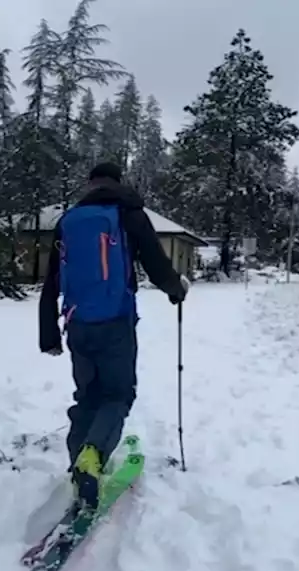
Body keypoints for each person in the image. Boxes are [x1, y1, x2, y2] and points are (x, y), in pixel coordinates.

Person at [39, 162, 189, 515]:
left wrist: (48, 333)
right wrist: (175, 289)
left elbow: (52, 280)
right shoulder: (128, 213)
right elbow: (154, 259)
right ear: (117, 183)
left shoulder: (69, 221)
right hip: (116, 323)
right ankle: (91, 460)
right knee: (117, 394)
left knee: (87, 395)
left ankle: (80, 464)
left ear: (90, 184)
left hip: (76, 324)